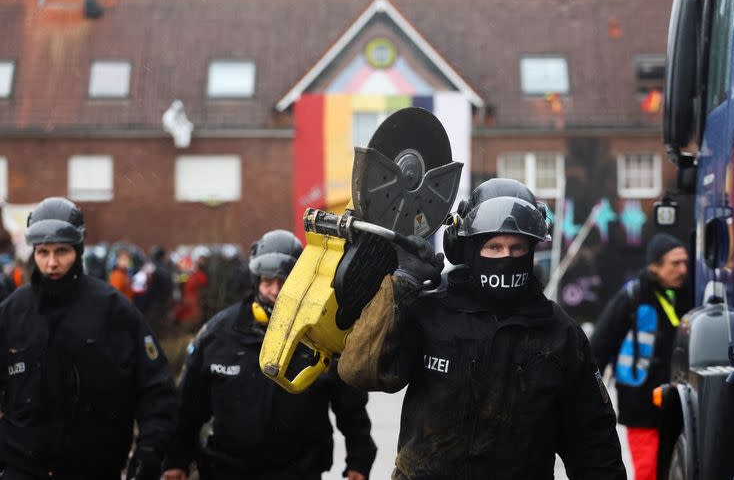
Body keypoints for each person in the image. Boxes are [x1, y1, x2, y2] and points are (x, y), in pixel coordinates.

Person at [338, 178, 626, 479]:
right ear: (470, 249)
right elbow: (359, 370)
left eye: (517, 248)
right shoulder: (431, 312)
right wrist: (401, 286)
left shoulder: (560, 335)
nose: (506, 257)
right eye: (494, 247)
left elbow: (594, 444)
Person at [163, 229, 377, 480]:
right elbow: (188, 405)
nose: (275, 291)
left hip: (299, 472)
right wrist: (175, 459)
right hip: (225, 470)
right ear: (256, 280)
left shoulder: (320, 336)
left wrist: (359, 461)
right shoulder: (217, 334)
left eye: (284, 281)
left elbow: (351, 407)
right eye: (267, 281)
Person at [0, 197, 177, 480]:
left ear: (78, 250)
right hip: (22, 470)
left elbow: (156, 389)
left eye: (61, 251)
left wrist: (150, 453)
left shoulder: (114, 310)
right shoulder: (12, 313)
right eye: (43, 252)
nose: (52, 263)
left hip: (94, 468)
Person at [590, 233, 691, 480]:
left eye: (684, 262)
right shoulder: (632, 297)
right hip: (641, 403)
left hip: (676, 402)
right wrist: (589, 400)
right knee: (647, 471)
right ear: (654, 266)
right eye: (674, 263)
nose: (683, 269)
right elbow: (599, 347)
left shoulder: (684, 295)